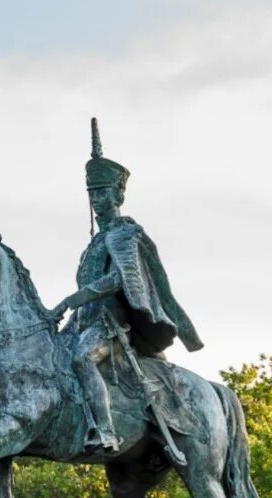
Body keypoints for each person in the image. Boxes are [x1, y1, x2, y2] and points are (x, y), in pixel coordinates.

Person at [53, 119, 204, 452]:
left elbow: (120, 279)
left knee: (81, 359)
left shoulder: (125, 234)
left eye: (103, 192)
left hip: (111, 327)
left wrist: (72, 298)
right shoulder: (94, 243)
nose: (97, 199)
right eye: (92, 193)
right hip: (82, 322)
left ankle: (106, 430)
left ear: (118, 193)